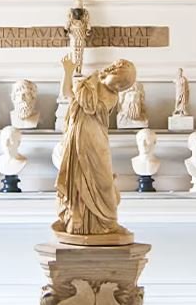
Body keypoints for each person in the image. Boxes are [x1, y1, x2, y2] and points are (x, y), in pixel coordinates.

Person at [54, 55, 135, 244]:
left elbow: (89, 105)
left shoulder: (111, 96)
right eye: (116, 69)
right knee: (78, 177)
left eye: (121, 82)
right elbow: (68, 93)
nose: (117, 84)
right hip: (78, 135)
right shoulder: (90, 82)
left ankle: (108, 221)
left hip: (96, 139)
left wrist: (79, 84)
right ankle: (78, 218)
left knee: (103, 180)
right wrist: (67, 71)